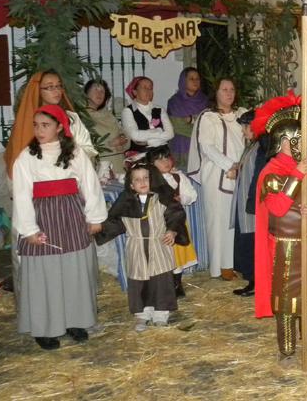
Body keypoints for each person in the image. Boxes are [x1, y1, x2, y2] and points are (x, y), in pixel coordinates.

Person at [11, 104, 107, 350]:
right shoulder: (27, 157)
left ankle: (76, 321)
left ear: (59, 127)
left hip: (72, 217)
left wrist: (94, 217)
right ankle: (45, 328)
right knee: (46, 273)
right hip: (43, 220)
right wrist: (29, 230)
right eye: (36, 125)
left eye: (45, 125)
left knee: (73, 269)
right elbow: (21, 195)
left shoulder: (74, 153)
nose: (39, 130)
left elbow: (90, 184)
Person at [251, 92, 307, 363]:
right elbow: (276, 207)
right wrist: (297, 176)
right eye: (299, 140)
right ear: (284, 141)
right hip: (284, 247)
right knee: (287, 298)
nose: (305, 146)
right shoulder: (271, 171)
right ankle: (287, 349)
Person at [96, 162, 189, 331]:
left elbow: (176, 214)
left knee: (160, 280)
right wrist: (97, 230)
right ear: (131, 185)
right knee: (140, 281)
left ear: (151, 180)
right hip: (136, 246)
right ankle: (143, 315)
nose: (142, 182)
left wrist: (172, 231)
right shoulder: (126, 202)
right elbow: (113, 221)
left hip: (158, 245)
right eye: (137, 179)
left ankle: (161, 314)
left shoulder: (161, 199)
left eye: (146, 178)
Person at [188, 78, 247, 279]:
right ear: (216, 93)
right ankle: (220, 267)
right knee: (218, 220)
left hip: (241, 174)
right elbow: (207, 147)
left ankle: (234, 263)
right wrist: (229, 165)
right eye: (224, 90)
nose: (229, 93)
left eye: (232, 89)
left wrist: (242, 166)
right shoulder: (208, 117)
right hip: (217, 173)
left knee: (236, 222)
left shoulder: (242, 114)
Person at [5, 70, 96, 178]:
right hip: (38, 182)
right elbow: (19, 157)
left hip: (72, 178)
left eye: (59, 86)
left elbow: (87, 148)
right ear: (38, 91)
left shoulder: (72, 118)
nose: (57, 91)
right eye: (50, 87)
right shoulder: (28, 120)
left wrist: (69, 157)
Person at [146, 145, 198, 298]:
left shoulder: (177, 176)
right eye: (160, 160)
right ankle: (163, 283)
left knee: (177, 252)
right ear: (151, 164)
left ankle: (177, 283)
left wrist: (182, 198)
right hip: (157, 223)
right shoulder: (148, 179)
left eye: (167, 158)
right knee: (162, 253)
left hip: (176, 222)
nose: (165, 162)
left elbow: (192, 195)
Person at [229, 110, 263, 297]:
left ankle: (256, 282)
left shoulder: (261, 147)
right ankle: (252, 280)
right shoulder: (251, 146)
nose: (243, 131)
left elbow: (258, 176)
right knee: (246, 241)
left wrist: (253, 203)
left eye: (245, 126)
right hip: (244, 202)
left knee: (252, 242)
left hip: (251, 204)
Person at [84, 78, 129, 178]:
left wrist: (123, 140)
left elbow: (126, 136)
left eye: (103, 91)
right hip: (100, 169)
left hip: (119, 165)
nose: (100, 93)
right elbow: (82, 145)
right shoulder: (81, 116)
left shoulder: (108, 115)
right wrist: (110, 144)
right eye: (96, 89)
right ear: (86, 93)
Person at [122, 76, 174, 162]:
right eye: (144, 88)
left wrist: (147, 141)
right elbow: (134, 135)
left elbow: (170, 134)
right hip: (140, 157)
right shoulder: (128, 111)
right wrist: (158, 132)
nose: (148, 91)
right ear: (135, 92)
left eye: (150, 88)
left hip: (162, 156)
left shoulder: (160, 109)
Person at [166, 67, 209, 168]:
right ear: (183, 81)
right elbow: (177, 126)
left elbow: (208, 124)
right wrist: (198, 128)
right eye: (191, 78)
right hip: (180, 149)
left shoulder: (205, 101)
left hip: (201, 149)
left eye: (197, 78)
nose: (195, 81)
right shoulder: (174, 102)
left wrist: (191, 119)